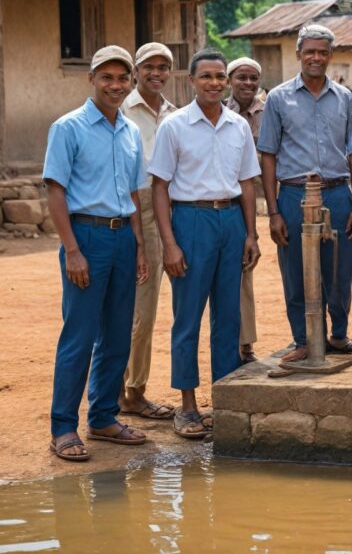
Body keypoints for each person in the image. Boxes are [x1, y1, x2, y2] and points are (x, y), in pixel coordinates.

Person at [43, 45, 149, 461]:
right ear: (91, 80)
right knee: (80, 334)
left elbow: (134, 195)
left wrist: (139, 246)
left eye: (123, 78)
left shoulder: (131, 131)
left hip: (124, 238)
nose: (116, 85)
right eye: (107, 77)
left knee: (118, 334)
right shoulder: (68, 128)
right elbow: (56, 191)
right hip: (86, 237)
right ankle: (63, 427)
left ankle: (104, 416)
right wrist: (72, 250)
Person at [148, 48, 261, 439]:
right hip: (190, 221)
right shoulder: (174, 126)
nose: (214, 83)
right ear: (192, 81)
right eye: (206, 76)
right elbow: (159, 187)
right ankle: (188, 407)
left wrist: (251, 233)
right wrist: (169, 243)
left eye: (219, 77)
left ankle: (224, 402)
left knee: (229, 317)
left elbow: (247, 183)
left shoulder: (238, 127)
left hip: (231, 220)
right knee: (188, 318)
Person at [258, 24, 352, 362]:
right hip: (294, 195)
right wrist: (274, 211)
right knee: (295, 269)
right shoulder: (278, 98)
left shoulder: (345, 98)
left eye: (322, 52)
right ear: (298, 55)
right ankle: (303, 340)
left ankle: (337, 335)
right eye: (310, 52)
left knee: (339, 268)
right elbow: (268, 154)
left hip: (337, 193)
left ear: (331, 56)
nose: (316, 58)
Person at [118, 42, 177, 421]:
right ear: (137, 71)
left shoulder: (174, 114)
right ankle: (129, 392)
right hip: (134, 205)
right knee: (138, 307)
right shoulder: (122, 111)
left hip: (171, 203)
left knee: (151, 306)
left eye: (163, 67)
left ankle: (128, 388)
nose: (156, 73)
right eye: (149, 67)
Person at [226, 57, 266, 363]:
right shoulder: (217, 110)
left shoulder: (268, 112)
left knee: (244, 273)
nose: (247, 84)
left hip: (252, 199)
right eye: (241, 77)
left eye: (253, 78)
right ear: (230, 80)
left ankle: (244, 344)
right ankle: (225, 344)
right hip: (224, 200)